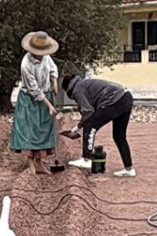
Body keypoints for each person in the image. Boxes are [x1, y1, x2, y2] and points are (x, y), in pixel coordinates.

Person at [60, 73, 136, 177]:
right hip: (126, 97)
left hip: (114, 100)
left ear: (67, 88)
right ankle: (129, 169)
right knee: (119, 136)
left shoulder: (77, 89)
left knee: (90, 125)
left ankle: (86, 159)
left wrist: (78, 126)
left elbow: (88, 111)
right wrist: (79, 126)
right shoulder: (84, 84)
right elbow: (90, 108)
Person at [9, 31, 63, 176]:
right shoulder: (25, 64)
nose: (42, 54)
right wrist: (50, 105)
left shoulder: (46, 57)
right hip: (29, 99)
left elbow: (53, 69)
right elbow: (34, 89)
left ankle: (40, 164)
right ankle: (31, 164)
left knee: (43, 130)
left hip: (45, 95)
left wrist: (54, 82)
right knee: (30, 131)